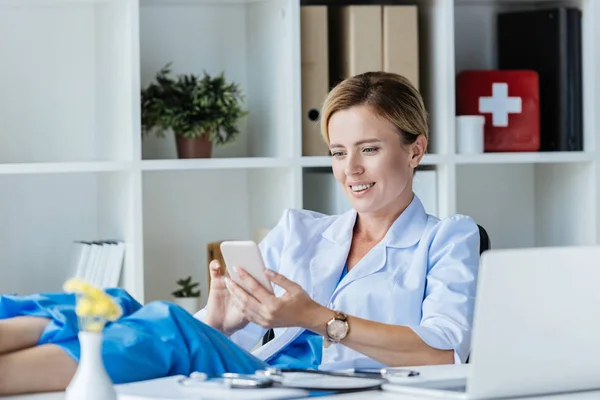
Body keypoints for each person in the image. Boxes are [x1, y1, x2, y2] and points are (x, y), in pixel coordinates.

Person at [0, 71, 480, 395]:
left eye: (369, 149)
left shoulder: (448, 239)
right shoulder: (302, 230)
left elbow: (442, 350)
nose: (350, 169)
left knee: (167, 324)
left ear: (415, 150)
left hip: (327, 386)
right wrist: (222, 316)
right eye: (337, 152)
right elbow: (222, 335)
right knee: (118, 303)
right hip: (264, 372)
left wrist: (317, 317)